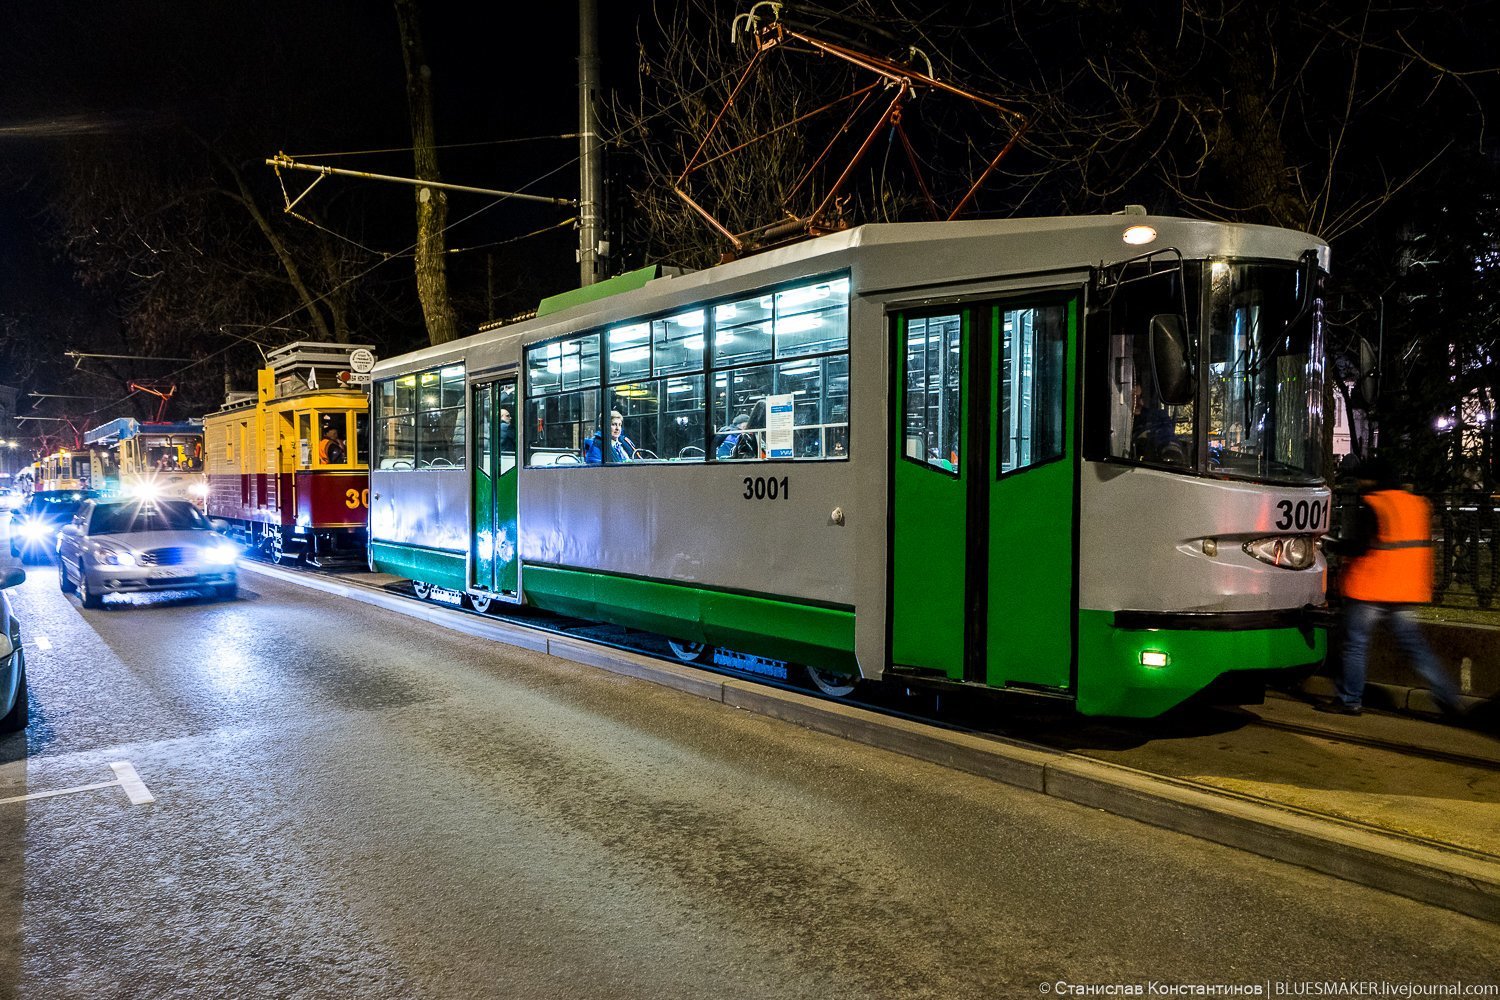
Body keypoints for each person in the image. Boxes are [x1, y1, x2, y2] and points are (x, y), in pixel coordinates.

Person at [1317, 456, 1462, 717]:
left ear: (1372, 480)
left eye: (1362, 478)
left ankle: (1350, 700)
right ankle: (1447, 696)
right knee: (1415, 647)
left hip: (1370, 589)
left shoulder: (1373, 505)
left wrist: (1332, 545)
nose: (1359, 483)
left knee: (1355, 645)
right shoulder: (1417, 504)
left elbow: (1360, 546)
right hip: (1406, 589)